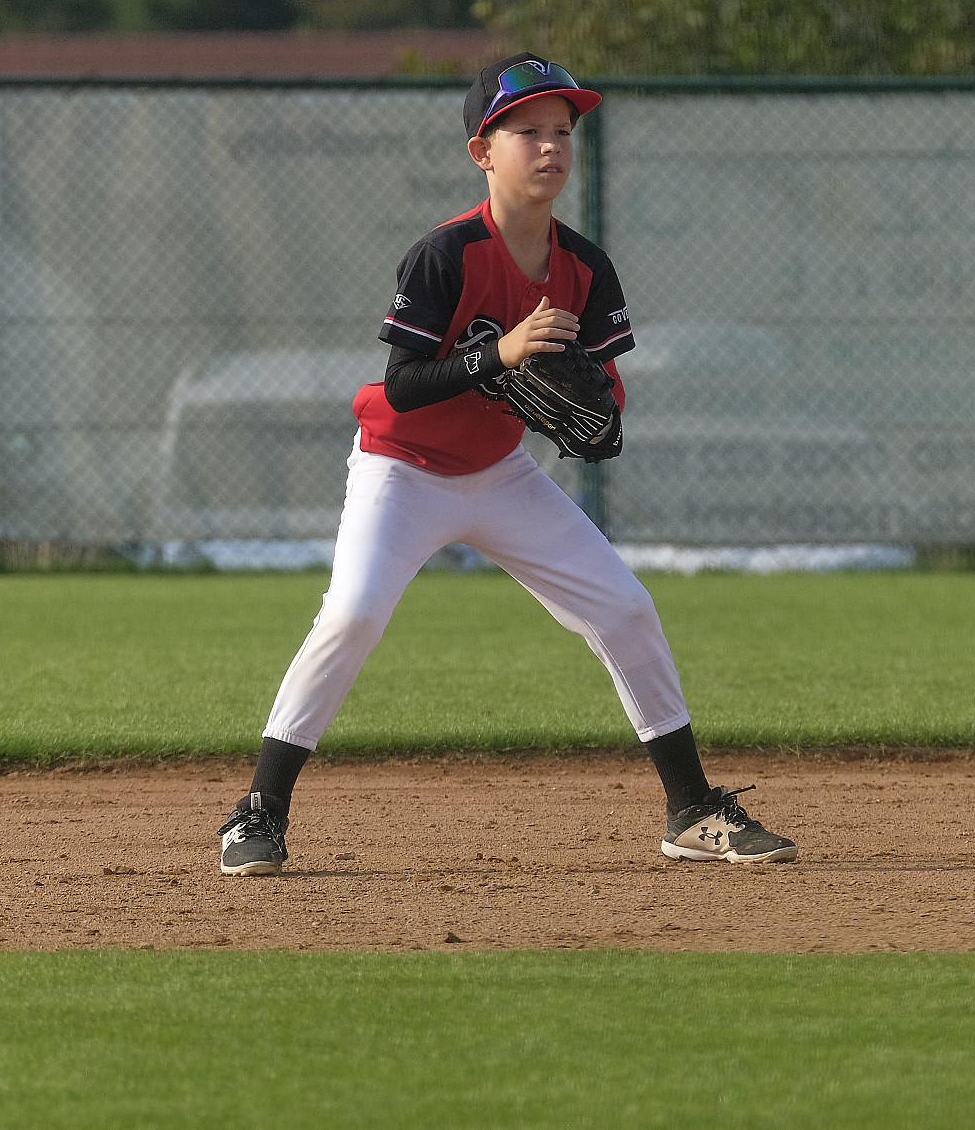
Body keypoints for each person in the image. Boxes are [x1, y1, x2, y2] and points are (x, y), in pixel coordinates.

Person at [216, 54, 798, 876]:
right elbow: (403, 385)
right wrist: (501, 353)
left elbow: (605, 394)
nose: (551, 146)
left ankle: (693, 810)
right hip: (401, 468)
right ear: (483, 152)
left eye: (562, 130)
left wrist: (600, 423)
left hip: (499, 474)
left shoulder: (585, 267)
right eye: (528, 131)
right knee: (352, 614)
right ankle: (258, 812)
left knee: (626, 608)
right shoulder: (446, 254)